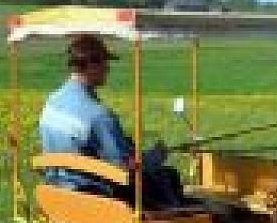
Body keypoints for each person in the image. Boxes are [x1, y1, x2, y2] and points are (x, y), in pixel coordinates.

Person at [39, 34, 184, 208]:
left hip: (57, 188)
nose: (108, 68)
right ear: (91, 65)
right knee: (167, 176)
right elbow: (124, 167)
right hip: (91, 194)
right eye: (104, 63)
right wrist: (154, 157)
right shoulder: (98, 115)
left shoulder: (52, 101)